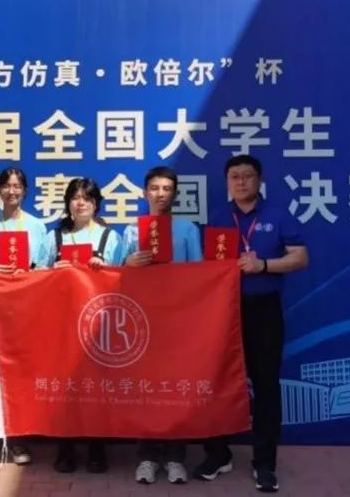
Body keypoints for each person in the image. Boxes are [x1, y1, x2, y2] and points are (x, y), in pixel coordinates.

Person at [193, 155, 308, 493]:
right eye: (234, 176)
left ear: (260, 179)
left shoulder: (277, 215)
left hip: (263, 310)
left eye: (247, 176)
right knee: (218, 381)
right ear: (227, 182)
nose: (240, 182)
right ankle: (218, 454)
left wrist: (264, 266)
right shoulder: (217, 217)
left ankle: (265, 463)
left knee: (266, 385)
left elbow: (301, 257)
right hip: (223, 311)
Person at [120, 166, 201, 485]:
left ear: (175, 193)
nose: (160, 194)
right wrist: (128, 263)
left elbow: (200, 275)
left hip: (177, 319)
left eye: (167, 188)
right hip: (142, 319)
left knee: (175, 388)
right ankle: (147, 457)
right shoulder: (131, 231)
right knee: (145, 387)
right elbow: (116, 274)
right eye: (154, 188)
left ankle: (175, 457)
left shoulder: (187, 229)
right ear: (145, 193)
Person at [0, 167, 48, 466]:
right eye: (6, 186)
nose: (11, 191)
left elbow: (44, 269)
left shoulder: (38, 227)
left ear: (25, 191)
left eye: (17, 186)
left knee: (21, 380)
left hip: (23, 313)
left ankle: (18, 442)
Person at [46, 177, 122, 474]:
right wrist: (52, 270)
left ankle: (96, 447)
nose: (81, 203)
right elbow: (35, 275)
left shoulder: (109, 237)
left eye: (87, 199)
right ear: (67, 203)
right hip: (61, 322)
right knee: (65, 385)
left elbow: (124, 277)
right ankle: (65, 448)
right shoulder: (53, 237)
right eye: (75, 198)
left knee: (97, 386)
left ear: (96, 204)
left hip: (98, 322)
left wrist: (105, 269)